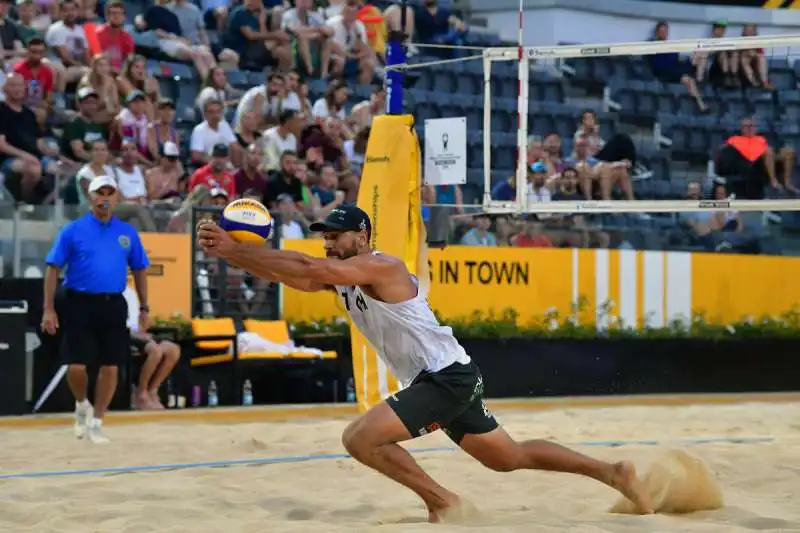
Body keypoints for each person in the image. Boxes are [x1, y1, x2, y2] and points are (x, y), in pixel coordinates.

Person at [195, 204, 654, 522]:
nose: (329, 244)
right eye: (326, 237)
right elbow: (293, 274)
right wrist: (236, 256)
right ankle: (613, 472)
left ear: (363, 236)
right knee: (508, 458)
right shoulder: (345, 276)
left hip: (444, 378)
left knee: (359, 439)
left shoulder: (382, 266)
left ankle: (442, 502)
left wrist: (235, 250)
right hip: (447, 375)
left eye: (336, 237)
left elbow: (311, 269)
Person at [42, 175, 150, 443]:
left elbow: (139, 269)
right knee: (76, 365)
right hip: (79, 302)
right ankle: (81, 403)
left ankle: (97, 422)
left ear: (116, 198)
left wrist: (145, 307)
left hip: (113, 303)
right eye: (99, 193)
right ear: (90, 198)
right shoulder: (73, 230)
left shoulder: (126, 233)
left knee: (110, 365)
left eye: (109, 193)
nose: (104, 197)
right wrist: (48, 309)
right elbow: (53, 268)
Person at [130, 330, 181, 409]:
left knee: (174, 350)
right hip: (128, 336)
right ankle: (141, 392)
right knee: (155, 351)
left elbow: (146, 324)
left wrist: (146, 332)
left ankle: (152, 390)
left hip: (146, 336)